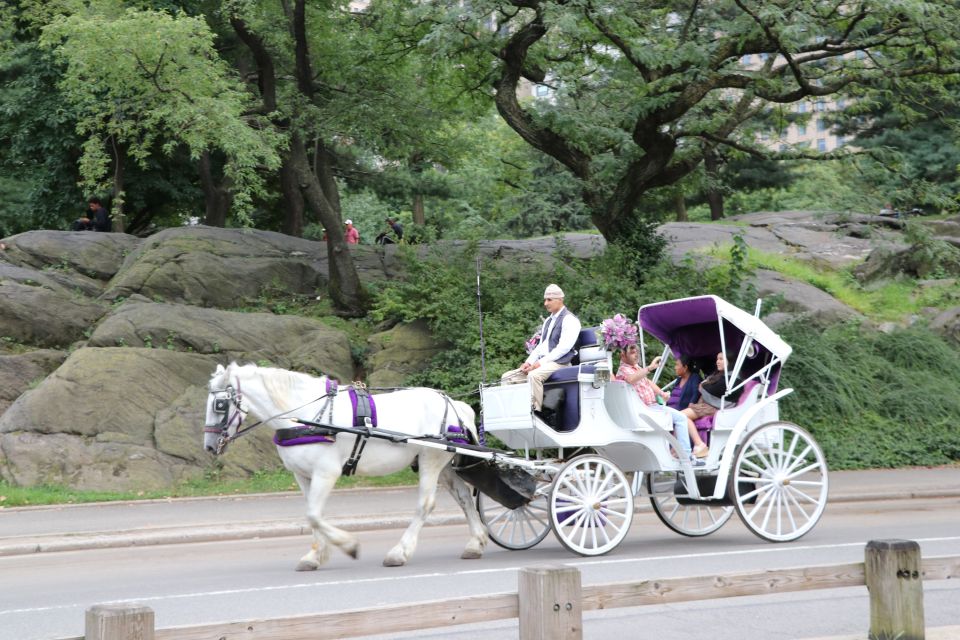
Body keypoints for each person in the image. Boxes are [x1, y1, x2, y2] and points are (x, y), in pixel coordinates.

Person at [617, 345, 704, 466]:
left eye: (637, 351)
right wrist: (650, 368)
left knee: (679, 417)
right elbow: (631, 379)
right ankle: (686, 457)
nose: (636, 354)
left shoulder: (635, 368)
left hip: (651, 407)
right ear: (622, 354)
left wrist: (661, 393)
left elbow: (647, 381)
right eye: (632, 352)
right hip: (646, 409)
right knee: (681, 418)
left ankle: (678, 452)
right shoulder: (624, 369)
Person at [501, 284, 581, 413]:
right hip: (545, 363)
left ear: (560, 299)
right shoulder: (548, 321)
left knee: (534, 375)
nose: (545, 303)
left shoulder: (570, 320)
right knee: (507, 377)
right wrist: (528, 362)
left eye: (549, 299)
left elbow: (563, 348)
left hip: (561, 363)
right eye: (545, 299)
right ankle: (512, 411)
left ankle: (535, 413)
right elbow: (541, 346)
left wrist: (538, 364)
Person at [681, 352, 743, 456]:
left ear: (730, 361)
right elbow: (705, 385)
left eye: (721, 359)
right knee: (678, 417)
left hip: (714, 407)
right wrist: (704, 385)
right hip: (706, 405)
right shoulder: (719, 374)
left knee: (681, 416)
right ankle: (678, 449)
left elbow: (709, 388)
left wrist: (704, 386)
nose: (717, 361)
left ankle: (700, 444)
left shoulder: (733, 379)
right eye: (717, 359)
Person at [666, 354, 711, 457]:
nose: (675, 367)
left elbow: (695, 394)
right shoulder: (679, 379)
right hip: (670, 407)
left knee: (677, 417)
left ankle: (677, 449)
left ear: (685, 367)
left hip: (682, 409)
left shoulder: (695, 378)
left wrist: (691, 404)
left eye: (677, 365)